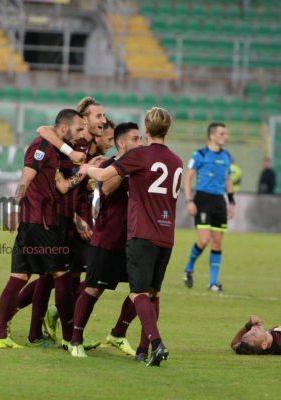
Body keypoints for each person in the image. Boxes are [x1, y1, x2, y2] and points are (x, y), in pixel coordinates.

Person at [80, 107, 183, 366]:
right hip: (167, 234)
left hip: (142, 233)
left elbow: (103, 176)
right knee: (153, 294)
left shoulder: (140, 155)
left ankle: (156, 343)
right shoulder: (177, 161)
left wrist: (86, 168)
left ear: (146, 129)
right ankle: (141, 351)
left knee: (138, 293)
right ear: (168, 129)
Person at [0, 109, 85, 349]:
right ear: (63, 128)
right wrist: (14, 208)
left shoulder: (55, 147)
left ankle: (0, 336)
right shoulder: (41, 145)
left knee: (19, 277)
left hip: (34, 221)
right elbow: (25, 178)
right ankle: (71, 340)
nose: (80, 135)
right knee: (62, 276)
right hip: (40, 222)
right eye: (78, 129)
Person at [70, 122, 143, 359]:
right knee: (94, 288)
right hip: (108, 237)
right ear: (121, 143)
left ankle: (118, 333)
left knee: (142, 290)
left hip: (134, 239)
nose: (140, 143)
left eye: (141, 139)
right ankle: (75, 340)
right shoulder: (108, 165)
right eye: (135, 139)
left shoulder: (141, 167)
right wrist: (125, 167)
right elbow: (108, 189)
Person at [183, 123, 235, 292]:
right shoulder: (200, 154)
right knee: (204, 241)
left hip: (219, 202)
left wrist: (232, 202)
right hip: (203, 201)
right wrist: (189, 201)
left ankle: (213, 283)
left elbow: (228, 180)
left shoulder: (226, 155)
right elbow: (187, 178)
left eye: (226, 134)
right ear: (212, 136)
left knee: (217, 244)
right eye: (222, 134)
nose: (225, 137)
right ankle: (189, 268)